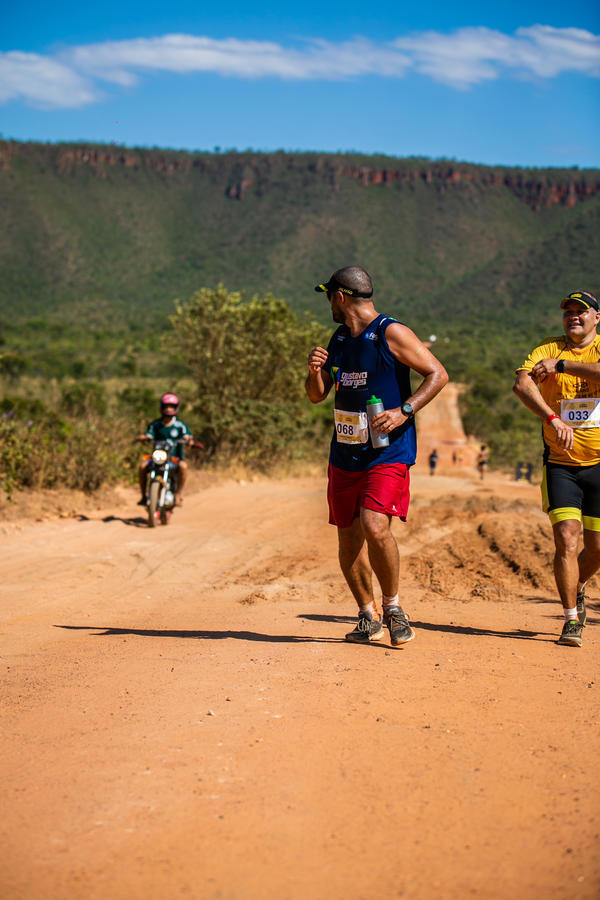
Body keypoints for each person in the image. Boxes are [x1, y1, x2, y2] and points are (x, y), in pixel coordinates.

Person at [306, 266, 448, 647]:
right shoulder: (339, 338)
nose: (329, 306)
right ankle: (367, 615)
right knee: (348, 538)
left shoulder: (391, 332)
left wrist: (405, 410)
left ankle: (394, 607)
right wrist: (315, 371)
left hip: (388, 452)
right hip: (345, 454)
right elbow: (317, 395)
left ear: (339, 297)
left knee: (375, 525)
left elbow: (437, 374)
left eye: (328, 298)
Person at [513, 290, 600, 648]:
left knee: (597, 548)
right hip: (560, 464)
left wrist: (563, 367)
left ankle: (577, 582)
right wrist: (551, 416)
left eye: (581, 312)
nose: (573, 317)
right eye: (567, 312)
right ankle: (571, 620)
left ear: (597, 317)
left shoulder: (570, 357)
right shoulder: (547, 348)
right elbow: (521, 383)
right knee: (566, 538)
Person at [136, 393, 194, 506]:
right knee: (143, 466)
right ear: (162, 407)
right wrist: (144, 438)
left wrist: (189, 441)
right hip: (157, 457)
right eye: (166, 406)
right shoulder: (155, 425)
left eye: (171, 406)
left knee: (184, 466)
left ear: (176, 407)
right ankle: (143, 496)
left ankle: (178, 494)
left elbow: (187, 436)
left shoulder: (180, 425)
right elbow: (149, 436)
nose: (169, 409)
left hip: (174, 458)